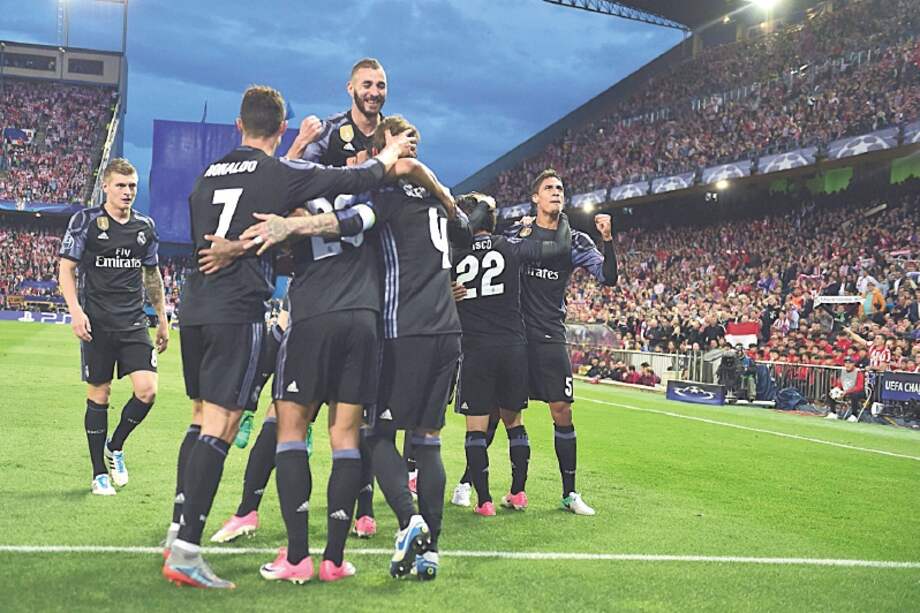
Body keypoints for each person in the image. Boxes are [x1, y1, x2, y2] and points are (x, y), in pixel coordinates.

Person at [161, 84, 411, 589]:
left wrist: (232, 247)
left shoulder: (205, 176)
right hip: (239, 310)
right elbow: (358, 175)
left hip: (196, 307)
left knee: (201, 419)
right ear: (280, 129)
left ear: (238, 124)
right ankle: (187, 550)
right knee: (224, 425)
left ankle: (176, 528)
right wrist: (388, 152)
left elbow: (202, 240)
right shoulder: (281, 174)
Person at [239, 114, 452, 583]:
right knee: (390, 438)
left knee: (295, 426)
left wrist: (288, 227)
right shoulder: (415, 196)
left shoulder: (358, 191)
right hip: (411, 326)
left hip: (349, 320)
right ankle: (346, 557)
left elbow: (338, 215)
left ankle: (299, 554)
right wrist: (439, 188)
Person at [364, 116, 486, 580]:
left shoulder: (386, 193)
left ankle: (408, 520)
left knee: (374, 433)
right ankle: (431, 550)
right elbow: (464, 234)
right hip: (447, 330)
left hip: (405, 329)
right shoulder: (438, 199)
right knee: (428, 440)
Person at [287, 56, 391, 538]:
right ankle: (256, 508)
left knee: (355, 420)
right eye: (367, 84)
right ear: (349, 87)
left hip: (368, 301)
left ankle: (355, 515)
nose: (374, 91)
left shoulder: (391, 136)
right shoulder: (329, 135)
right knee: (305, 419)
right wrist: (304, 143)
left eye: (381, 85)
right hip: (325, 292)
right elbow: (288, 176)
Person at [449, 192, 572, 515]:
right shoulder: (511, 246)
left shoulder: (453, 253)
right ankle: (518, 493)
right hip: (513, 346)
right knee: (514, 423)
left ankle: (484, 501)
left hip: (476, 348)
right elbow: (558, 248)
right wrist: (563, 217)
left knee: (476, 429)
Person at [58, 158, 168, 496]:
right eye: (121, 185)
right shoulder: (87, 222)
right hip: (98, 322)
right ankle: (98, 474)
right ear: (106, 186)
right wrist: (76, 311)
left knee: (147, 390)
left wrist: (162, 318)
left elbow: (152, 275)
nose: (127, 191)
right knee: (100, 394)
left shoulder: (145, 227)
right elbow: (66, 269)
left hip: (134, 321)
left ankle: (115, 446)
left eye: (132, 185)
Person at [511, 168, 618, 516]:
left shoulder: (575, 240)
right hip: (514, 334)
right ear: (535, 197)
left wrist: (608, 239)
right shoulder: (519, 232)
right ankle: (511, 490)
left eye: (560, 188)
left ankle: (569, 493)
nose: (556, 192)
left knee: (563, 411)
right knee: (506, 412)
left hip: (550, 334)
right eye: (549, 188)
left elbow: (608, 277)